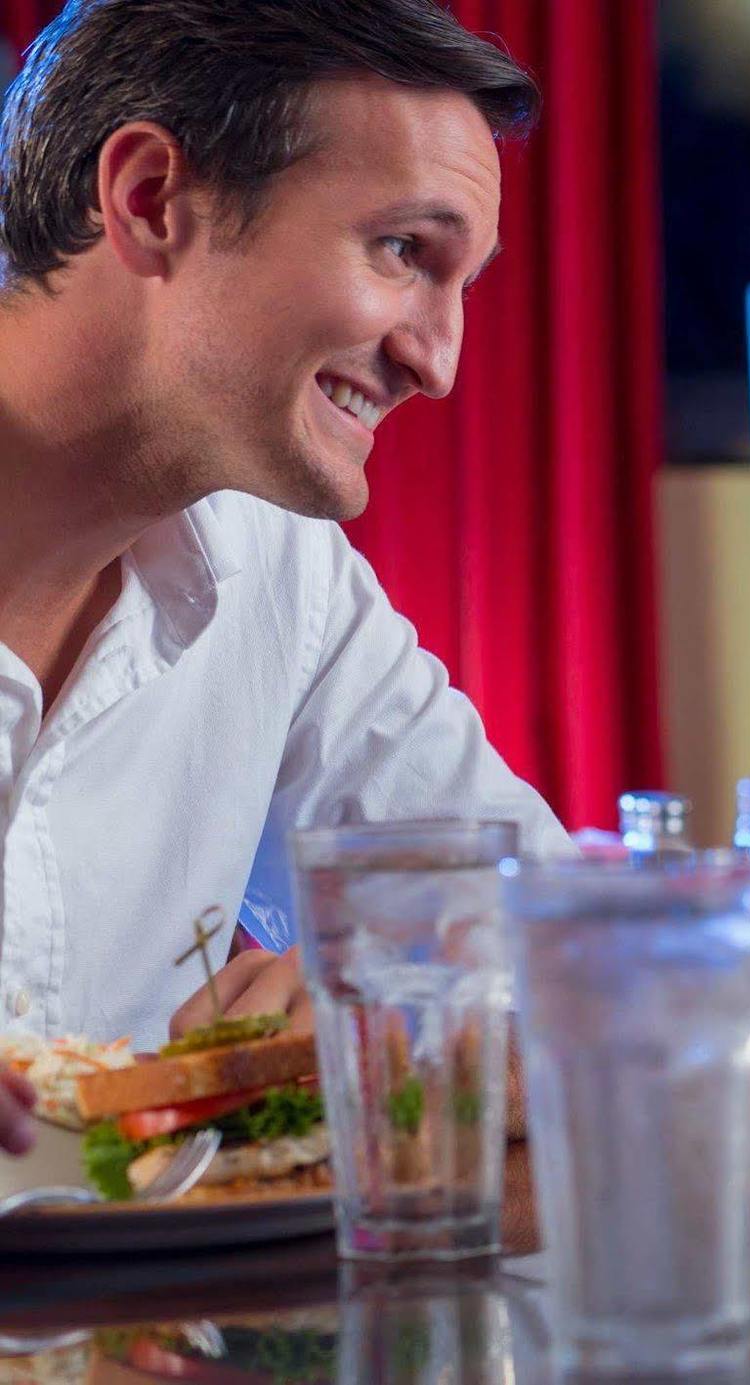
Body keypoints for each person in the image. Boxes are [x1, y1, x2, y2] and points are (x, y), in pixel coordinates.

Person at [0, 0, 572, 1157]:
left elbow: (564, 939)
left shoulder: (282, 574)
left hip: (131, 1331)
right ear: (153, 199)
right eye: (405, 251)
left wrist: (400, 1016)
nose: (438, 359)